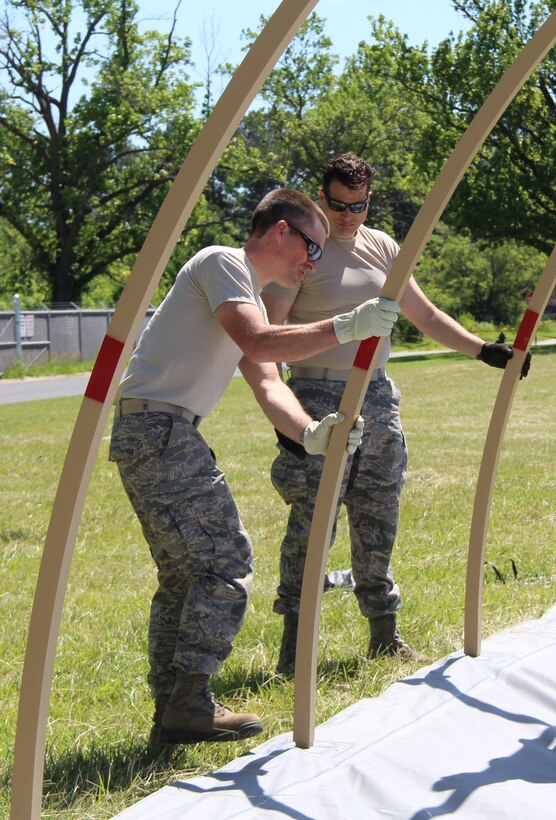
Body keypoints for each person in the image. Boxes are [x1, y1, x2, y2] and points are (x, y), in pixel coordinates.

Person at [109, 188, 400, 745]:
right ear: (281, 232)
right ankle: (189, 700)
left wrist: (310, 433)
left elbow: (265, 376)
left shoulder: (241, 292)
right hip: (159, 430)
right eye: (311, 248)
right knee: (225, 560)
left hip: (162, 430)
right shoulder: (224, 262)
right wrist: (346, 326)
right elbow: (260, 341)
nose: (312, 264)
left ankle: (174, 706)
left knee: (184, 575)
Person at [261, 152, 530, 675]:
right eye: (337, 205)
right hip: (318, 396)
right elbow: (270, 336)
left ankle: (384, 633)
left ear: (369, 201)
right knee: (314, 523)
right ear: (322, 197)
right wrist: (289, 418)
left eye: (357, 206)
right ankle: (294, 647)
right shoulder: (305, 252)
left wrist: (483, 351)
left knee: (378, 515)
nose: (346, 217)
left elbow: (422, 312)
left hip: (377, 398)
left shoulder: (382, 246)